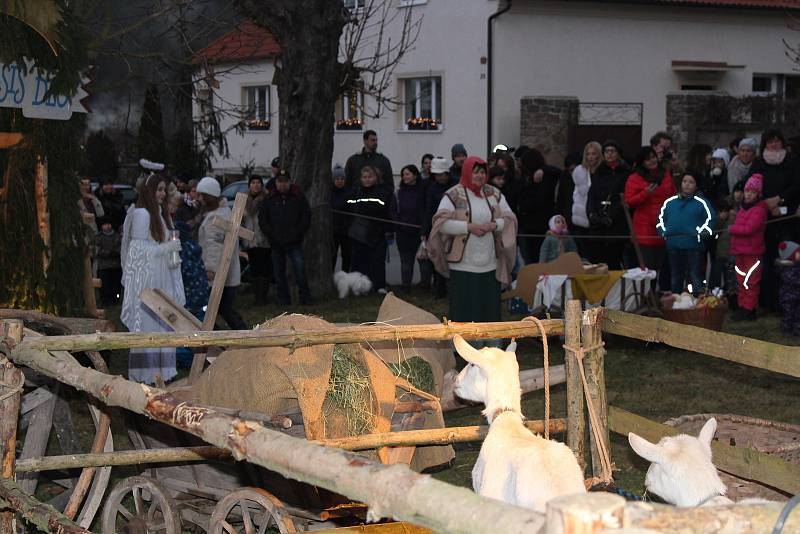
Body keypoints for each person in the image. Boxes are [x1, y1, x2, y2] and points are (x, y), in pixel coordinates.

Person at [427, 156, 517, 339]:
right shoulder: (453, 194)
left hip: (490, 263)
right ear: (467, 172)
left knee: (488, 308)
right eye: (475, 172)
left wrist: (494, 225)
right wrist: (468, 227)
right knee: (463, 308)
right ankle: (462, 346)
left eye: (483, 172)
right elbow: (440, 223)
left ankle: (490, 345)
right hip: (462, 265)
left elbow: (510, 219)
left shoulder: (494, 194)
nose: (479, 176)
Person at [120, 173, 185, 384]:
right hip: (148, 282)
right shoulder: (142, 214)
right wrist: (166, 248)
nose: (162, 194)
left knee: (163, 323)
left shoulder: (159, 213)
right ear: (149, 191)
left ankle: (163, 373)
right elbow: (137, 250)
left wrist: (171, 252)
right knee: (148, 325)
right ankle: (145, 374)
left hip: (161, 277)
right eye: (159, 189)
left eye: (164, 190)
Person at [747, 128, 800, 311]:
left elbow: (796, 184)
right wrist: (766, 203)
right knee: (766, 260)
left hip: (788, 217)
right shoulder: (759, 162)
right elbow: (752, 185)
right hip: (764, 218)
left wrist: (780, 199)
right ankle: (768, 302)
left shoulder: (792, 160)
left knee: (787, 259)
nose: (774, 144)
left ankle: (788, 301)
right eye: (770, 142)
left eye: (777, 141)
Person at [196, 176, 249, 329]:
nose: (199, 199)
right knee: (222, 309)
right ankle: (238, 334)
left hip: (220, 274)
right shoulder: (222, 213)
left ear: (210, 196)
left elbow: (214, 247)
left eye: (202, 195)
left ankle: (242, 334)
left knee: (217, 309)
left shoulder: (217, 218)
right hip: (225, 273)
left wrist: (211, 269)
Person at [258, 170, 313, 305]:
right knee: (278, 273)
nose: (282, 184)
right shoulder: (269, 198)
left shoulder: (298, 197)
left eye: (285, 181)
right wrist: (271, 234)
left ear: (289, 182)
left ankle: (305, 298)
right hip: (276, 243)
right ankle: (284, 300)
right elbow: (263, 219)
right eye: (279, 181)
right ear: (276, 183)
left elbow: (306, 216)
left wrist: (298, 233)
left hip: (294, 242)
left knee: (300, 270)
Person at [657, 171, 716, 296]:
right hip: (673, 246)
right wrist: (663, 232)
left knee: (695, 276)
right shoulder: (670, 202)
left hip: (694, 246)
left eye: (691, 182)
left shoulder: (702, 203)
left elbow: (710, 220)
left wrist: (701, 234)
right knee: (675, 276)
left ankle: (697, 304)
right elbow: (660, 219)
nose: (687, 185)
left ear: (696, 186)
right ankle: (677, 303)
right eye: (685, 181)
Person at [624, 146, 676, 271]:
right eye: (648, 159)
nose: (652, 161)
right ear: (642, 162)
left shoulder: (666, 174)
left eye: (653, 157)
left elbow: (673, 195)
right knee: (647, 268)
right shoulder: (635, 178)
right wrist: (645, 194)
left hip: (664, 225)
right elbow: (629, 202)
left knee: (661, 267)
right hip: (644, 228)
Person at [346, 165, 395, 293]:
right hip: (359, 233)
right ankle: (360, 287)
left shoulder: (383, 192)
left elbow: (386, 211)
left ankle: (379, 286)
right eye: (364, 177)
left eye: (370, 177)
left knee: (377, 261)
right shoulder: (356, 192)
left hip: (377, 233)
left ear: (375, 178)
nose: (367, 180)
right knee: (360, 261)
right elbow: (350, 209)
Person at [729, 174, 768, 321]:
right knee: (741, 281)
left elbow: (749, 229)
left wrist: (732, 229)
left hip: (752, 253)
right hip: (740, 252)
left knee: (751, 282)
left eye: (753, 192)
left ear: (758, 194)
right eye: (747, 191)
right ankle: (742, 306)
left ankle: (750, 308)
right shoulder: (742, 209)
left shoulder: (759, 210)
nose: (749, 194)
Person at [586, 140, 631, 269]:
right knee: (596, 261)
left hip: (616, 224)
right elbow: (592, 195)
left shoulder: (625, 173)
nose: (610, 154)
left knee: (613, 261)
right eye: (607, 151)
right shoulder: (599, 172)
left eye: (613, 151)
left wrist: (611, 215)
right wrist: (592, 213)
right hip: (598, 225)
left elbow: (623, 197)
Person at [517, 147, 561, 264]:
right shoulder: (526, 177)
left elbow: (540, 200)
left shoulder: (544, 176)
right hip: (531, 224)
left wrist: (543, 170)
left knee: (538, 257)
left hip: (538, 223)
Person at [421, 157, 457, 297]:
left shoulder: (456, 185)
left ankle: (452, 290)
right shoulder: (432, 188)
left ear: (447, 173)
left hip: (454, 228)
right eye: (436, 175)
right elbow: (428, 210)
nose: (438, 177)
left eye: (441, 174)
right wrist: (425, 231)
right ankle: (440, 290)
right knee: (437, 259)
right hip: (437, 229)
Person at [393, 164, 426, 292]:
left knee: (423, 260)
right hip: (403, 233)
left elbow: (423, 210)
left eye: (407, 174)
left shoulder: (421, 192)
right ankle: (406, 286)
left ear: (415, 175)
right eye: (403, 174)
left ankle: (425, 286)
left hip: (418, 232)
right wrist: (398, 224)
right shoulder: (399, 193)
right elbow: (394, 210)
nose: (404, 177)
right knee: (406, 261)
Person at [243, 175, 271, 305]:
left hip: (263, 238)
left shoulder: (267, 198)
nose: (256, 185)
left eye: (258, 182)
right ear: (249, 185)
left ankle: (263, 297)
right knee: (254, 268)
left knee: (265, 268)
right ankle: (257, 297)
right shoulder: (243, 200)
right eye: (253, 182)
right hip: (249, 239)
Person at [571, 142, 602, 261]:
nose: (590, 157)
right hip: (581, 218)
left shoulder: (603, 172)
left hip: (597, 219)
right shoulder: (579, 172)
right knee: (584, 255)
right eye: (588, 154)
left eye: (593, 154)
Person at [95, 215, 122, 306]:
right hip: (104, 266)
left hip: (116, 266)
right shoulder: (98, 237)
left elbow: (121, 248)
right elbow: (96, 250)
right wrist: (108, 253)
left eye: (109, 224)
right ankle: (105, 301)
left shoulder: (117, 236)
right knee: (105, 286)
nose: (107, 226)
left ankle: (116, 300)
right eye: (105, 224)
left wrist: (116, 252)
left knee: (116, 286)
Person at [331, 164, 352, 272]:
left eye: (342, 179)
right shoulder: (329, 193)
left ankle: (345, 277)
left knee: (347, 256)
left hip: (346, 231)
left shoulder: (349, 193)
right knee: (332, 255)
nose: (340, 181)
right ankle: (330, 277)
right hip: (333, 231)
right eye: (337, 179)